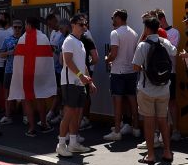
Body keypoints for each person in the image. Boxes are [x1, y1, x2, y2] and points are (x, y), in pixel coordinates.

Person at [132, 15, 177, 164]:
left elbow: (135, 66)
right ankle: (167, 152)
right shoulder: (165, 42)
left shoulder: (143, 45)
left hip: (147, 90)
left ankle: (150, 155)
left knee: (149, 122)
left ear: (146, 28)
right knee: (163, 120)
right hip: (164, 88)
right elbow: (175, 52)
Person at [10, 16, 57, 136]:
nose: (25, 27)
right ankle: (44, 124)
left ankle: (31, 128)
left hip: (26, 73)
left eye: (25, 24)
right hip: (40, 74)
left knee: (27, 100)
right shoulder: (44, 37)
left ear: (29, 25)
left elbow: (18, 57)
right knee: (40, 98)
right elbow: (48, 58)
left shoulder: (22, 38)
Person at [57, 14, 96, 157]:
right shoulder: (69, 41)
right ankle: (61, 144)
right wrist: (81, 76)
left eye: (85, 24)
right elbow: (67, 61)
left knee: (77, 113)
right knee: (69, 113)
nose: (84, 27)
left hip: (79, 83)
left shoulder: (80, 42)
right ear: (73, 25)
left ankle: (73, 143)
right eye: (81, 24)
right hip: (70, 82)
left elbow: (83, 64)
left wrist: (89, 81)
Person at [103, 9, 140, 142]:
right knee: (132, 100)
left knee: (117, 102)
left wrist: (107, 59)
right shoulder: (134, 33)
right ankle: (135, 128)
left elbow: (113, 54)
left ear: (118, 18)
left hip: (118, 71)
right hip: (131, 71)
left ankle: (117, 131)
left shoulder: (115, 33)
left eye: (113, 17)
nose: (112, 20)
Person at [156, 9, 182, 141]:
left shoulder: (174, 32)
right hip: (156, 73)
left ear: (162, 19)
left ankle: (176, 130)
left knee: (171, 102)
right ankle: (161, 133)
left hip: (170, 72)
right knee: (158, 103)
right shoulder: (154, 33)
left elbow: (172, 51)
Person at [0, 20, 24, 126]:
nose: (17, 29)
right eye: (15, 27)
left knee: (23, 94)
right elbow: (1, 54)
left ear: (22, 28)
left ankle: (25, 115)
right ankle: (8, 116)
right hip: (9, 70)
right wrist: (11, 52)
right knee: (7, 93)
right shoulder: (8, 40)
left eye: (19, 27)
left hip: (22, 70)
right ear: (12, 28)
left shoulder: (24, 39)